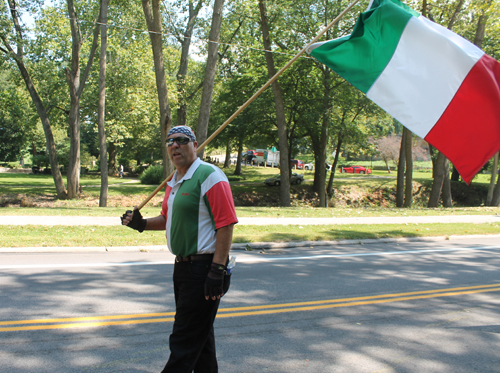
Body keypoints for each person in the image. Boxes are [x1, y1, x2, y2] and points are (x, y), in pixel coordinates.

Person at [121, 125, 237, 373]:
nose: (175, 145)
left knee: (183, 343)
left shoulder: (210, 176)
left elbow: (226, 224)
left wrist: (217, 269)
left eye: (182, 140)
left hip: (204, 269)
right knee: (201, 343)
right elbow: (167, 219)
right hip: (183, 269)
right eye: (170, 141)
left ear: (194, 145)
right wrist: (141, 224)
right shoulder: (173, 181)